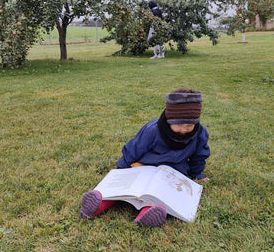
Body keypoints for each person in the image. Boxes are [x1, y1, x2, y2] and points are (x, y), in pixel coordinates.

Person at [80, 88, 210, 227]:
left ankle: (148, 215)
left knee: (159, 195)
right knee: (125, 191)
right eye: (178, 125)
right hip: (143, 168)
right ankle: (98, 204)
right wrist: (122, 171)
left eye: (189, 125)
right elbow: (133, 149)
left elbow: (199, 155)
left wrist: (197, 173)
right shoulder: (152, 130)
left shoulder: (200, 133)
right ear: (169, 119)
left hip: (172, 174)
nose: (183, 130)